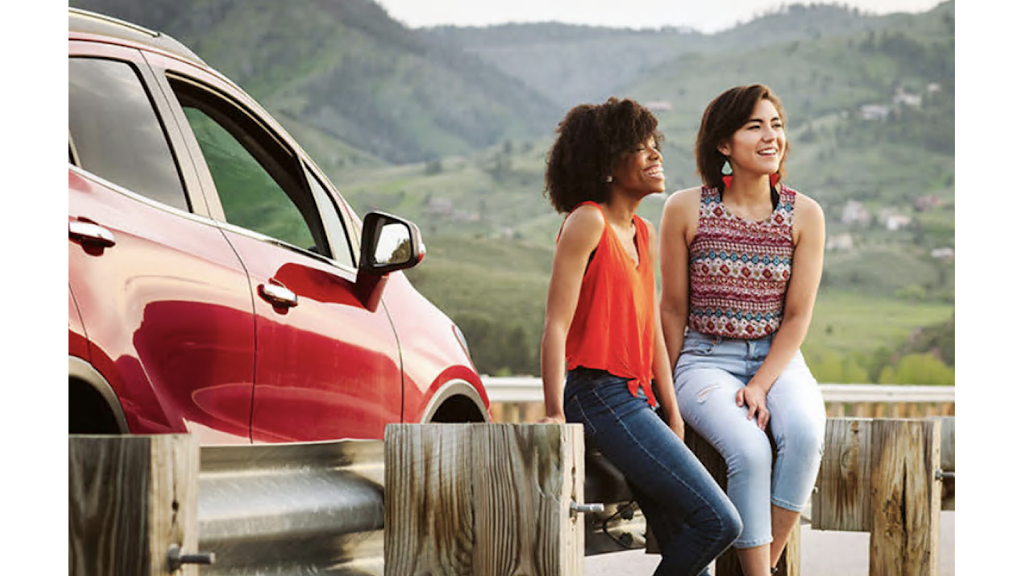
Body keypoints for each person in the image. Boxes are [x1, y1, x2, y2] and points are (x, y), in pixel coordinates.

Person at [540, 97, 740, 576]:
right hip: (598, 393)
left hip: (637, 399)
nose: (656, 156)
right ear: (608, 163)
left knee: (689, 540)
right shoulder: (588, 221)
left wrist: (670, 410)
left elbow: (650, 330)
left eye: (656, 146)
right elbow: (555, 324)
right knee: (719, 522)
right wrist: (553, 411)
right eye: (640, 147)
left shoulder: (643, 232)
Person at [659, 85, 827, 576]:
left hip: (779, 358)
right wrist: (664, 393)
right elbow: (670, 309)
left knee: (803, 432)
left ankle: (761, 569)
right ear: (723, 144)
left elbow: (796, 318)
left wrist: (760, 383)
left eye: (776, 124)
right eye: (754, 126)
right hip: (704, 359)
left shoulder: (805, 214)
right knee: (750, 450)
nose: (770, 135)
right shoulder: (685, 208)